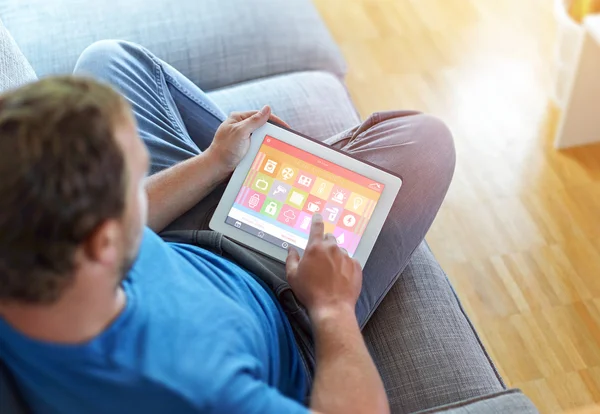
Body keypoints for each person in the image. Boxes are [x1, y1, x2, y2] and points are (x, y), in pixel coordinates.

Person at [0, 40, 455, 414]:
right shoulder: (193, 389)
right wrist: (332, 307)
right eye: (131, 177)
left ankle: (263, 166)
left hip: (175, 236)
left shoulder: (32, 255)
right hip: (289, 297)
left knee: (109, 59)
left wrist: (213, 164)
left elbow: (127, 222)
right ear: (103, 240)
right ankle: (303, 164)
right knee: (429, 140)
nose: (140, 184)